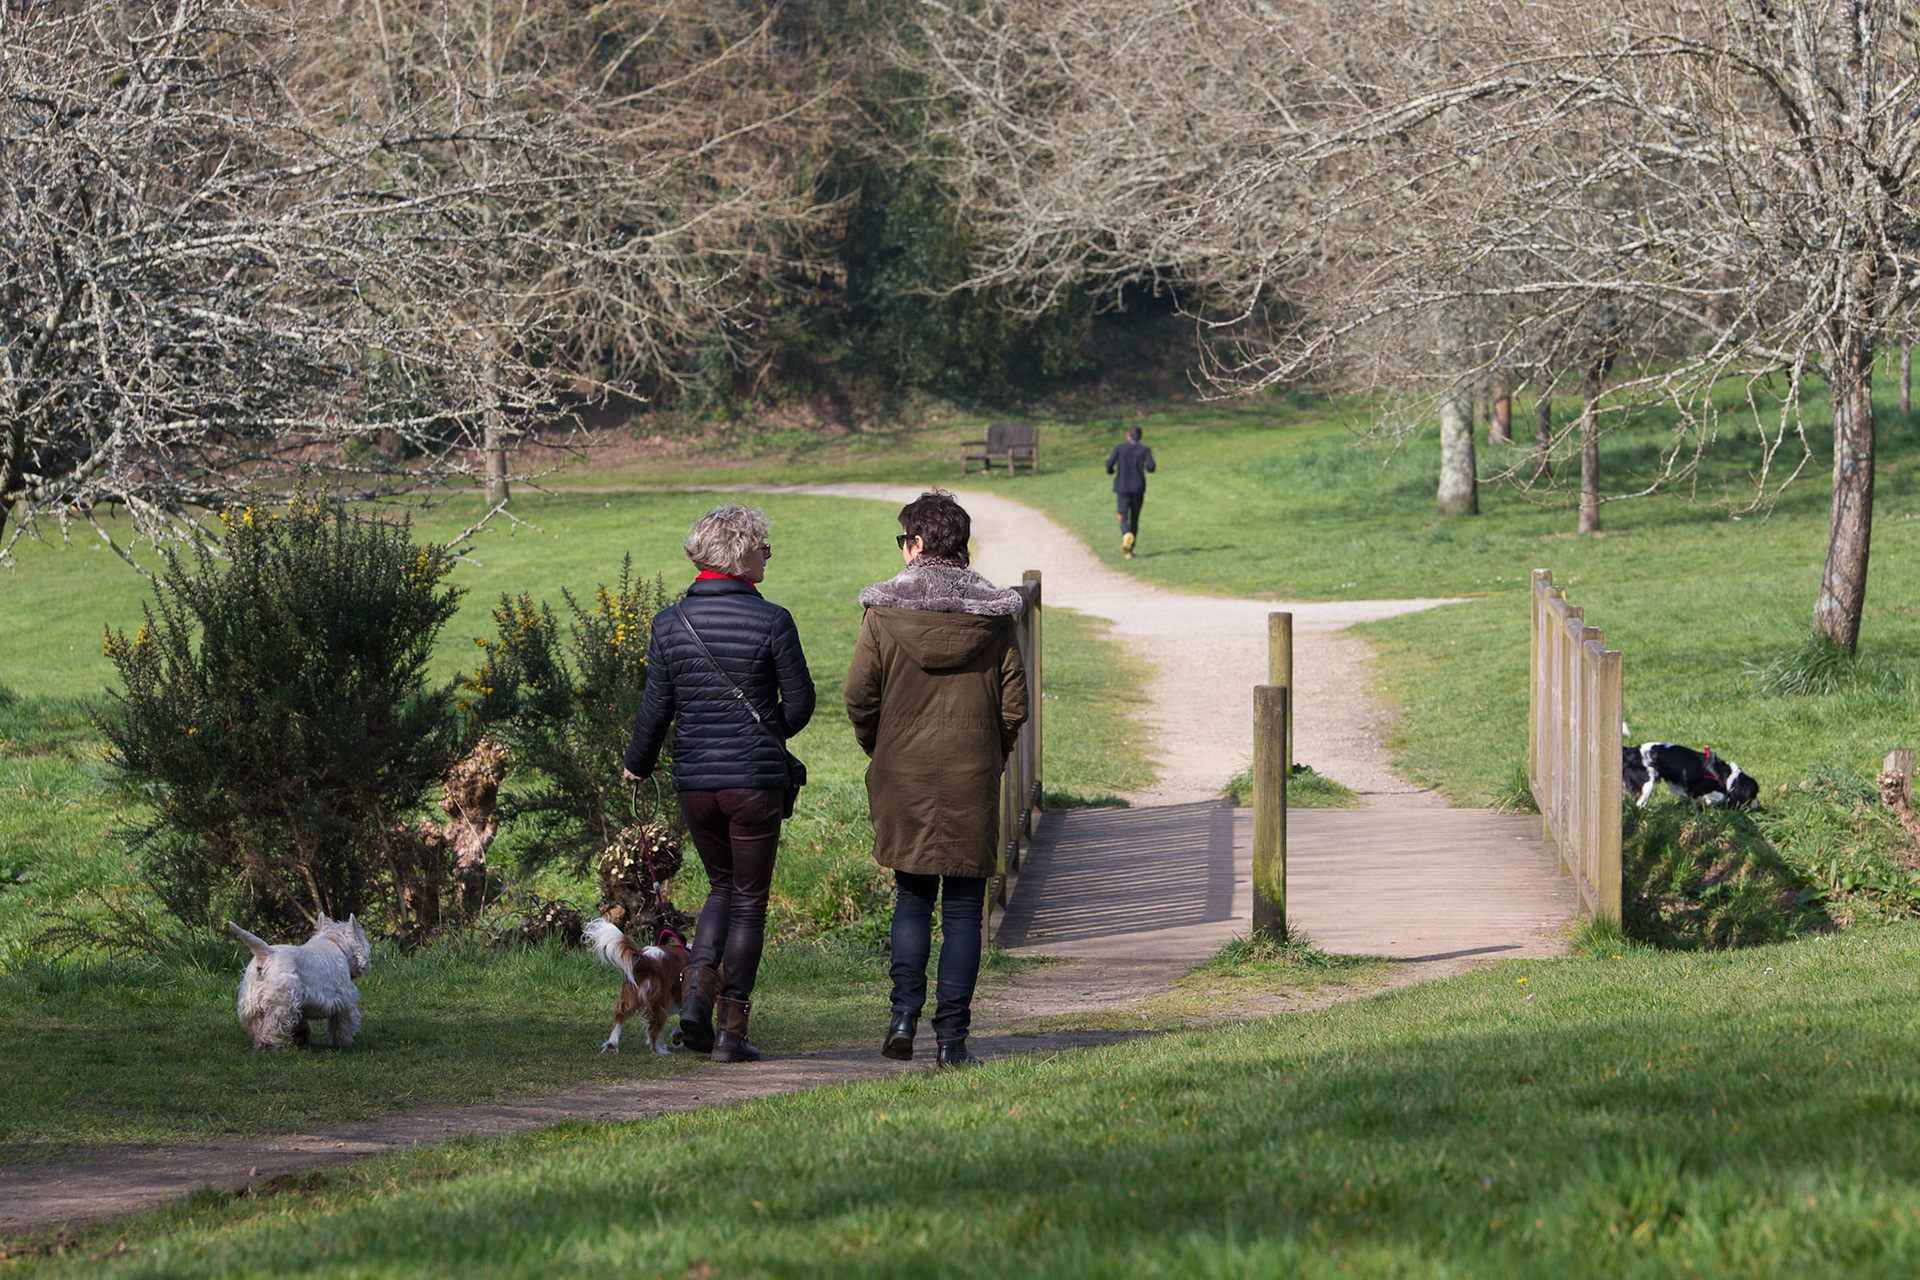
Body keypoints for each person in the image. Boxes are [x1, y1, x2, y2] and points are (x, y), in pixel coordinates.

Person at [844, 490, 1028, 1068]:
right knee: (965, 910)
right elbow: (1014, 706)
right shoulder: (995, 617)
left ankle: (903, 1017)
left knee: (912, 898)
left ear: (919, 545)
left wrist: (882, 748)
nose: (902, 550)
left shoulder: (882, 615)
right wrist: (989, 756)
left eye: (904, 540)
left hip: (903, 774)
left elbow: (858, 696)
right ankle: (952, 1040)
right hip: (972, 773)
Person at [624, 504, 814, 1062]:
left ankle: (695, 1006)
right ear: (738, 554)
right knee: (749, 901)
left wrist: (637, 761)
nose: (768, 553)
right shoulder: (773, 620)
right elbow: (799, 706)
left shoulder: (669, 622)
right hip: (753, 783)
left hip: (694, 784)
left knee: (721, 889)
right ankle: (731, 1029)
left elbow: (657, 706)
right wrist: (760, 734)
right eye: (762, 545)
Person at [1104, 425, 1156, 558]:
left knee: (1122, 513)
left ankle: (1126, 533)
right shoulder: (1144, 449)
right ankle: (1129, 550)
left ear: (1128, 435)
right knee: (1134, 517)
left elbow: (1109, 464)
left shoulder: (1120, 448)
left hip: (1122, 486)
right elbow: (1151, 467)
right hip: (1138, 487)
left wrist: (1111, 471)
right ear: (1140, 436)